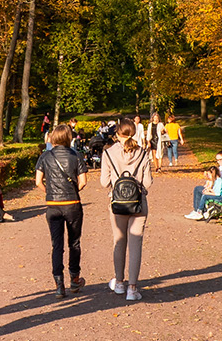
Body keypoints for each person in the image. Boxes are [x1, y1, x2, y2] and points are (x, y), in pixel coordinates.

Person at [100, 120, 153, 301]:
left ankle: (119, 283)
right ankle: (133, 288)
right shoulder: (142, 153)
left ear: (117, 133)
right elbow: (148, 183)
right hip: (138, 203)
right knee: (136, 243)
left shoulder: (108, 153)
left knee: (119, 241)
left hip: (117, 204)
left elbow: (103, 182)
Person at [35, 123, 88, 297]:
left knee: (56, 245)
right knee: (74, 243)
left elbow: (38, 182)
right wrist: (73, 191)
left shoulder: (45, 156)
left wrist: (50, 193)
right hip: (72, 203)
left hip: (53, 205)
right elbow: (83, 182)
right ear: (68, 137)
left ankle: (59, 285)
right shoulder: (76, 155)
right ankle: (74, 278)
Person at [187, 151, 222, 220]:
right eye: (217, 160)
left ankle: (198, 211)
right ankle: (197, 210)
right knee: (198, 189)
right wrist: (209, 186)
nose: (218, 162)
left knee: (201, 191)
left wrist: (210, 189)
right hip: (220, 190)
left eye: (220, 159)